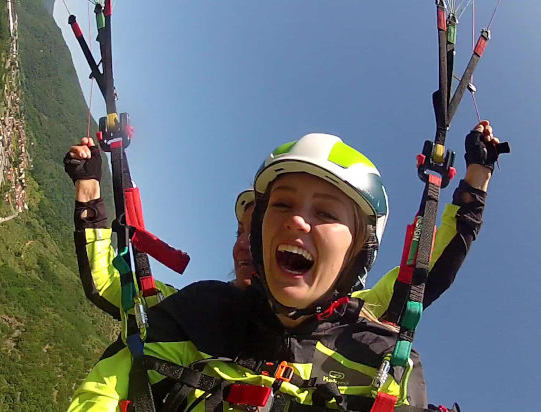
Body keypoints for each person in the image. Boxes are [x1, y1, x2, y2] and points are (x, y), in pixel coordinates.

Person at [66, 121, 501, 411]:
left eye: (324, 214)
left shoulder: (363, 332)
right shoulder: (193, 314)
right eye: (246, 231)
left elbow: (421, 274)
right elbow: (114, 288)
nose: (245, 245)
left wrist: (475, 184)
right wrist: (89, 190)